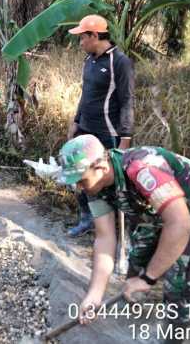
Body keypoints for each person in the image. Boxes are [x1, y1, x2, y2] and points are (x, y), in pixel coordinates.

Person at [58, 134, 190, 339]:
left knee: (179, 280)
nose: (78, 187)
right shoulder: (94, 185)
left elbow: (181, 224)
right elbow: (105, 239)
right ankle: (134, 303)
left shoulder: (142, 169)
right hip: (152, 207)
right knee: (138, 255)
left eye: (81, 180)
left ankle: (175, 335)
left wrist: (149, 277)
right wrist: (95, 294)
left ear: (101, 167)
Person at [66, 14, 135, 237]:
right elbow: (86, 94)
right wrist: (76, 121)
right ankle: (86, 219)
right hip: (85, 129)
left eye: (82, 38)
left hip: (108, 133)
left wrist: (125, 140)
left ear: (95, 36)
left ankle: (116, 232)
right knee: (79, 174)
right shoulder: (89, 60)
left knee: (109, 181)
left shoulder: (120, 62)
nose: (80, 43)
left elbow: (127, 101)